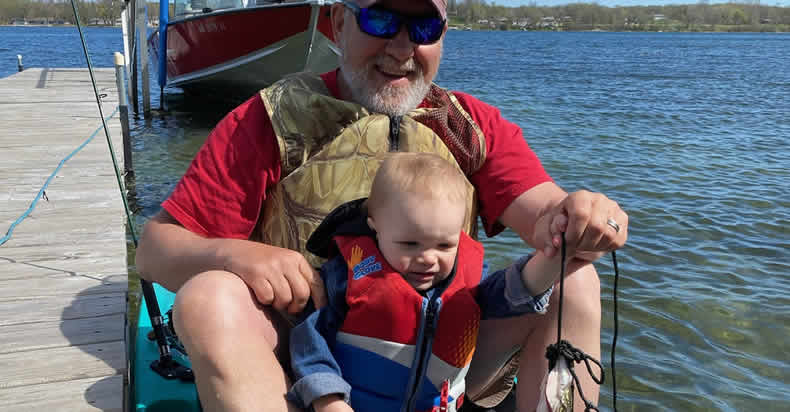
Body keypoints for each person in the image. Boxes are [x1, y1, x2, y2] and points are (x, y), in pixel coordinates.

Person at [135, 0, 629, 411]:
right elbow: (155, 249)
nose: (401, 46)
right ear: (339, 22)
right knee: (209, 298)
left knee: (574, 274)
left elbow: (548, 216)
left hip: (445, 363)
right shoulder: (268, 119)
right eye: (380, 19)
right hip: (304, 361)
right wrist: (237, 256)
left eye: (423, 26)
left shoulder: (469, 126)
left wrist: (587, 216)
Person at [288, 152, 573, 412]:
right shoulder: (347, 276)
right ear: (375, 227)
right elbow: (309, 340)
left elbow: (513, 292)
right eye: (410, 244)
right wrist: (327, 398)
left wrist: (555, 255)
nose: (428, 258)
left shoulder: (467, 281)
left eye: (444, 245)